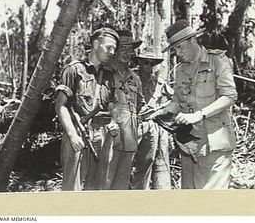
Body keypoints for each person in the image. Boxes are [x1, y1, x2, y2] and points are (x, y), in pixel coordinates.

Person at [149, 19, 237, 189]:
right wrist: (165, 111)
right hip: (189, 144)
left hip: (214, 144)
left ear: (193, 40)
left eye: (180, 47)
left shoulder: (217, 61)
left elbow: (229, 96)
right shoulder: (182, 69)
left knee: (212, 202)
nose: (178, 53)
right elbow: (178, 100)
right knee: (189, 198)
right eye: (174, 49)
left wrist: (198, 115)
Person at [55, 27, 120, 191]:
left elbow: (113, 106)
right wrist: (72, 135)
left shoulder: (109, 75)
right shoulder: (74, 70)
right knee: (72, 188)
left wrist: (113, 122)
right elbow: (60, 105)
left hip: (102, 135)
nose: (112, 52)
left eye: (114, 49)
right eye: (109, 47)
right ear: (96, 44)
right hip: (78, 132)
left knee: (96, 186)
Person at [101, 30, 145, 190]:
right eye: (123, 48)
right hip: (109, 137)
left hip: (130, 139)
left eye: (130, 49)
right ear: (115, 50)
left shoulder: (135, 78)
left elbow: (140, 103)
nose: (127, 53)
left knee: (121, 185)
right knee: (104, 183)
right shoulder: (104, 72)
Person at [131, 47, 173, 190]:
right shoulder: (130, 78)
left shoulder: (159, 84)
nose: (148, 67)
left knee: (146, 162)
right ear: (139, 63)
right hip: (131, 124)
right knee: (126, 162)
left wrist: (162, 109)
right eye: (145, 63)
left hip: (150, 125)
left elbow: (176, 98)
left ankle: (140, 193)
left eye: (151, 63)